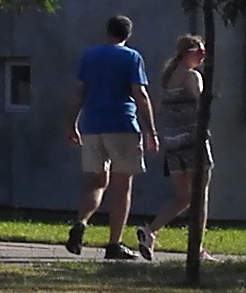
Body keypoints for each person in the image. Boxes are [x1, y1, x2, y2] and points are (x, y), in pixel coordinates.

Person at [68, 15, 155, 260]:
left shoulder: (89, 56)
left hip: (92, 125)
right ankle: (114, 244)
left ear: (107, 31)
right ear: (128, 34)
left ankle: (81, 222)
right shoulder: (132, 57)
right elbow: (140, 94)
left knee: (96, 182)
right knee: (122, 187)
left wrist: (72, 124)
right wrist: (151, 130)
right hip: (122, 124)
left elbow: (78, 92)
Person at [136, 35, 210, 247]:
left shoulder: (169, 78)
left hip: (173, 142)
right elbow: (200, 105)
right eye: (198, 51)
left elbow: (163, 108)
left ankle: (150, 231)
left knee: (183, 196)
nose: (203, 55)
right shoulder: (192, 76)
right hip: (193, 139)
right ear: (186, 53)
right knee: (200, 195)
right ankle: (197, 246)